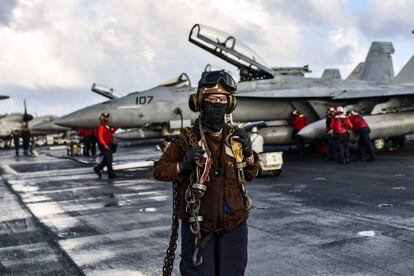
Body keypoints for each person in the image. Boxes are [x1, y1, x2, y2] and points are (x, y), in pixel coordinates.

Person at [153, 70, 259, 276]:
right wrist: (182, 165)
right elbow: (159, 170)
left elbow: (251, 174)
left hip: (234, 226)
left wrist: (248, 154)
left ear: (230, 104)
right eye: (212, 98)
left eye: (222, 99)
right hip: (198, 229)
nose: (217, 103)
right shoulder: (186, 139)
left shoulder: (235, 138)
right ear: (200, 102)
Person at [94, 113, 118, 179]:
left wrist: (117, 127)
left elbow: (111, 131)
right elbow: (100, 137)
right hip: (104, 144)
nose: (108, 118)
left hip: (108, 144)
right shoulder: (101, 127)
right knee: (109, 159)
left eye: (108, 117)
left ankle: (97, 169)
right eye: (106, 117)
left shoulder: (106, 126)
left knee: (106, 159)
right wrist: (104, 145)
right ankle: (111, 174)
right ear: (102, 118)